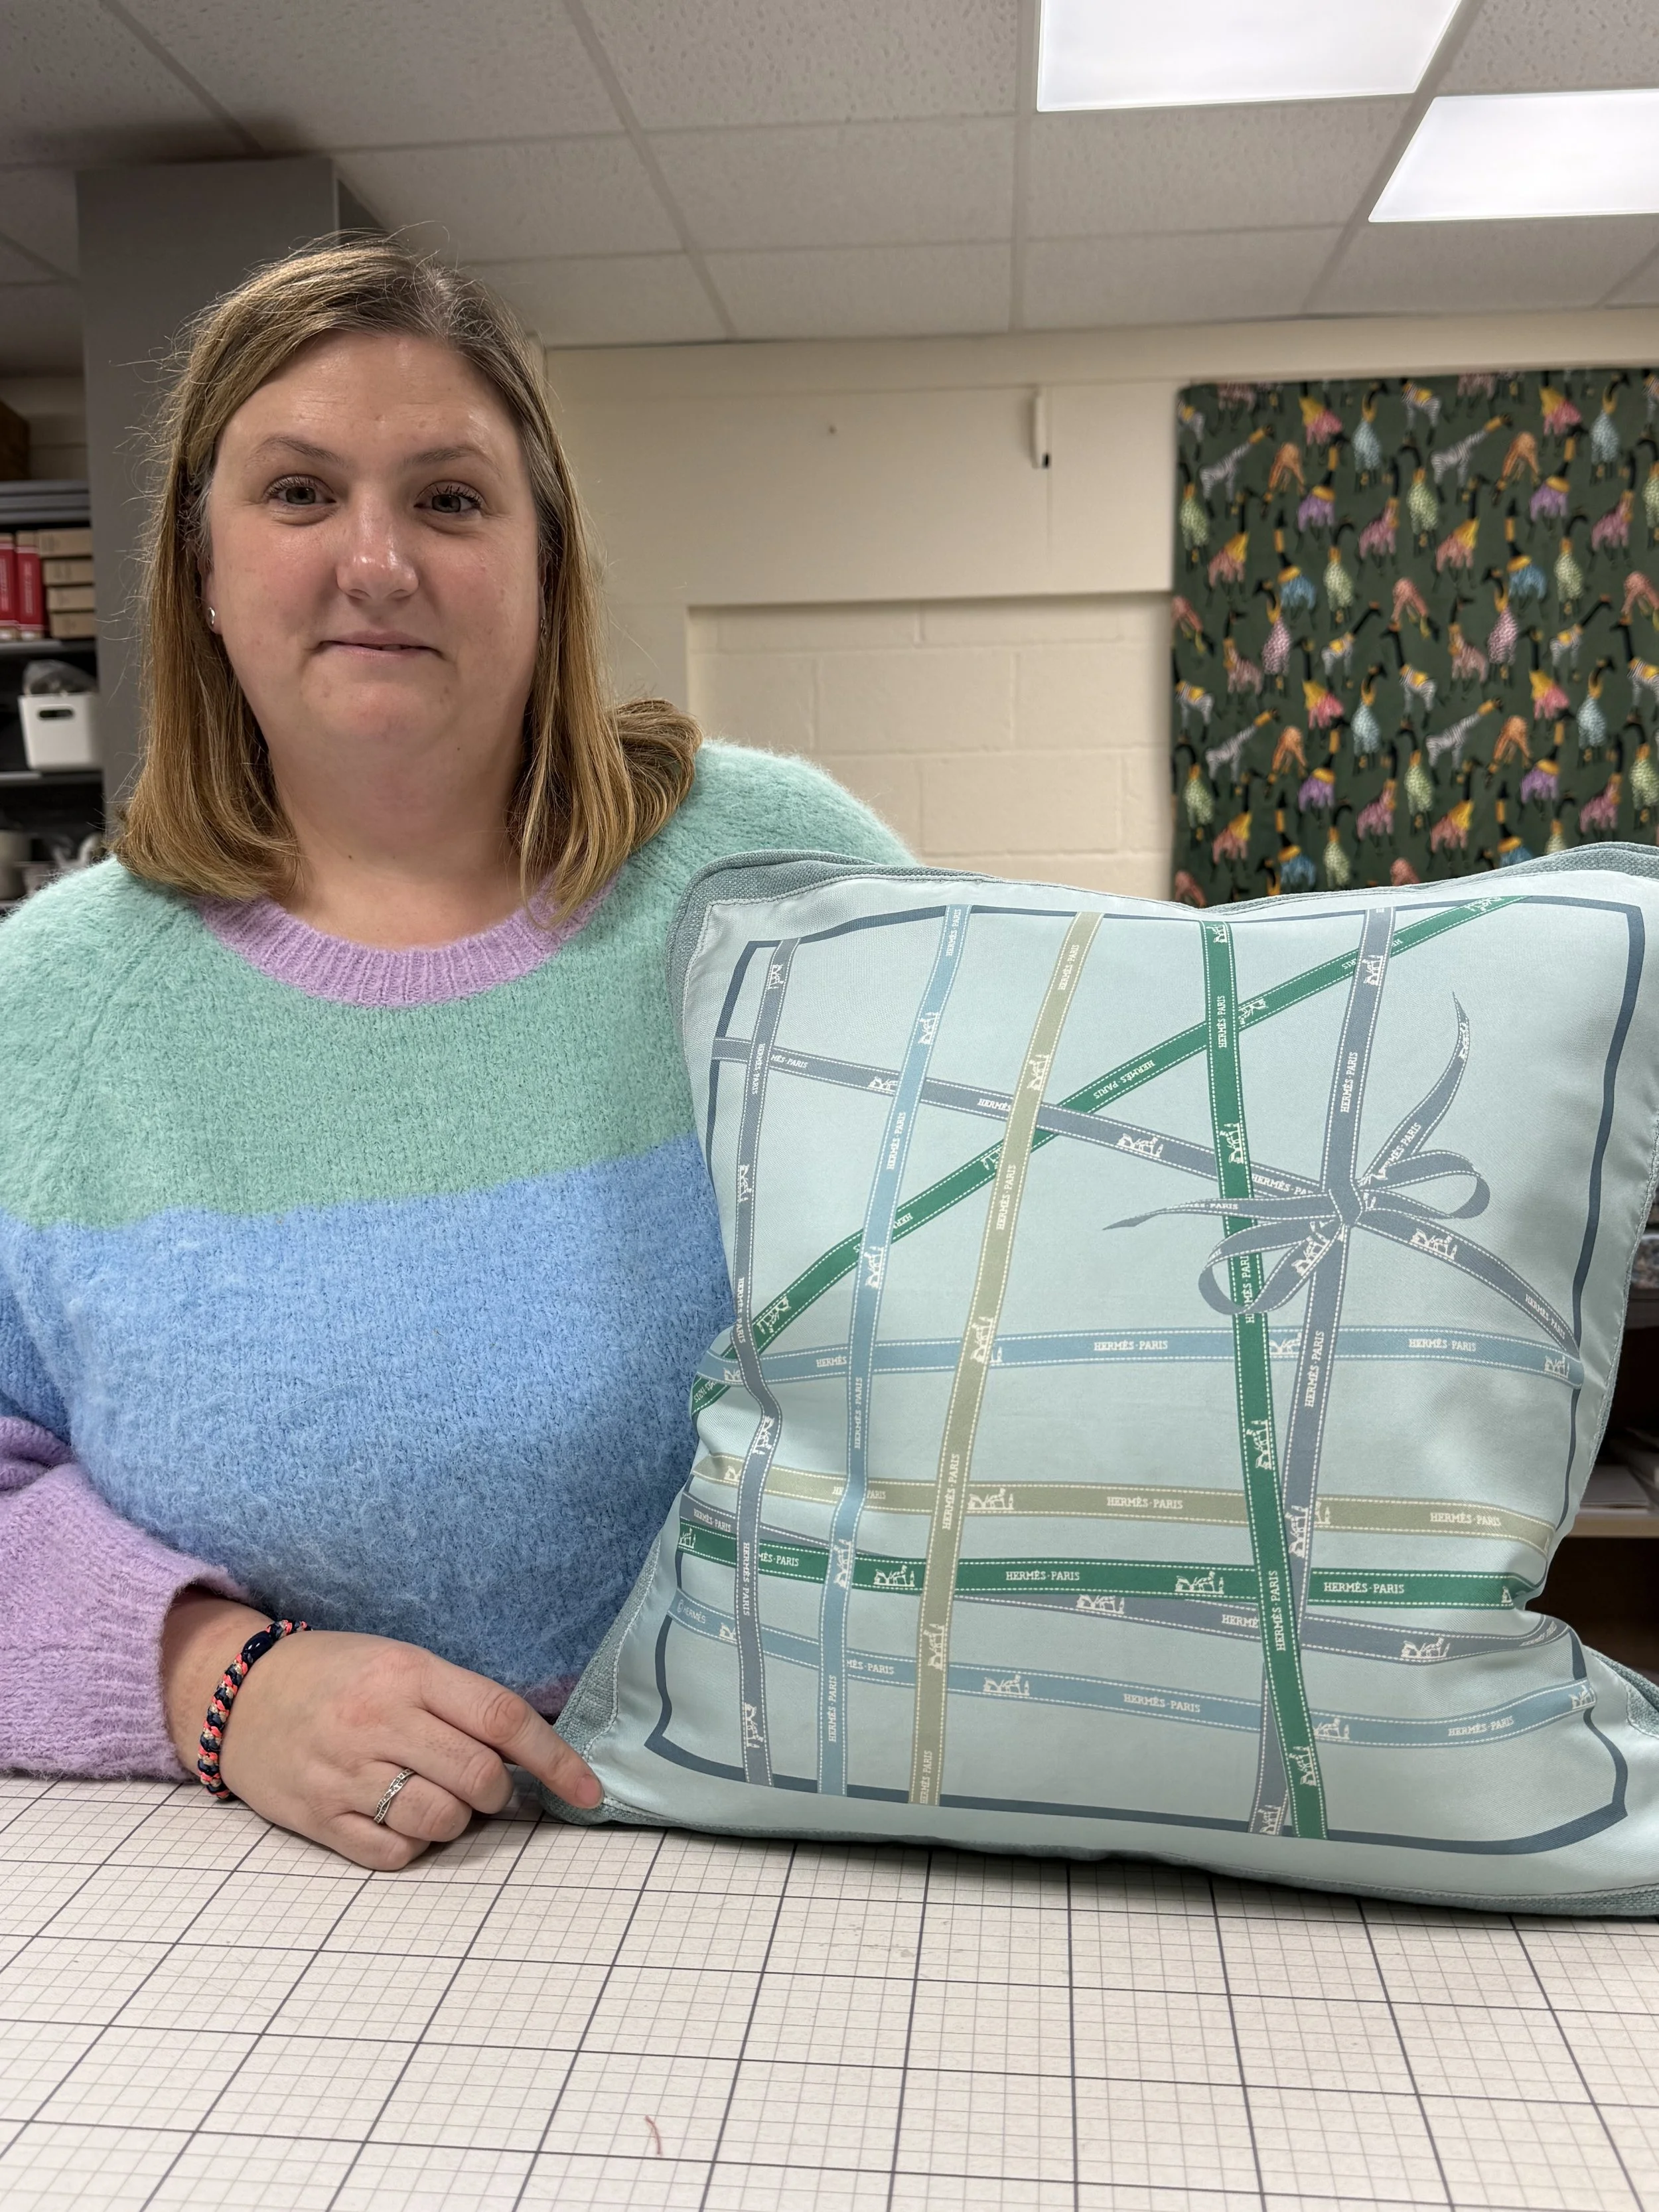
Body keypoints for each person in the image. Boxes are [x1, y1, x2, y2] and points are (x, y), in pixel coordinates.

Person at [0, 242, 906, 1868]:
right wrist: (216, 1681)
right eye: (295, 493)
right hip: (279, 1899)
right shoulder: (51, 1004)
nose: (376, 561)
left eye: (450, 499)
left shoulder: (782, 873)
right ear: (199, 569)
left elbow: (1029, 1261)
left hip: (817, 1839)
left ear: (547, 560)